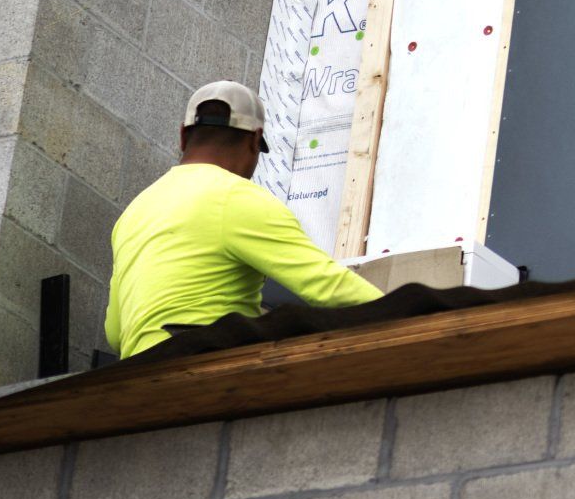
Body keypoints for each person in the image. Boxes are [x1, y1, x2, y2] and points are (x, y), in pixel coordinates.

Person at [106, 80, 381, 358]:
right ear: (254, 140)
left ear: (182, 136)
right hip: (203, 367)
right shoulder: (237, 197)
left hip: (136, 372)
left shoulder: (132, 215)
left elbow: (115, 333)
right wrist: (404, 311)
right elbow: (327, 287)